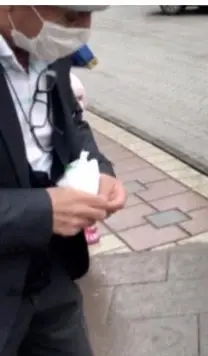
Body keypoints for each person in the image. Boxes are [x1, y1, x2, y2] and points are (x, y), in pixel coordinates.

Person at [0, 5, 126, 355]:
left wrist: (99, 168)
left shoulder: (48, 48)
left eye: (89, 13)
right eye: (71, 15)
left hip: (53, 273)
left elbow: (73, 124)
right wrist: (41, 211)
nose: (83, 28)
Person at [70, 71, 101, 245]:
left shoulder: (71, 80)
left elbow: (80, 121)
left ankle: (87, 224)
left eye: (81, 99)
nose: (80, 105)